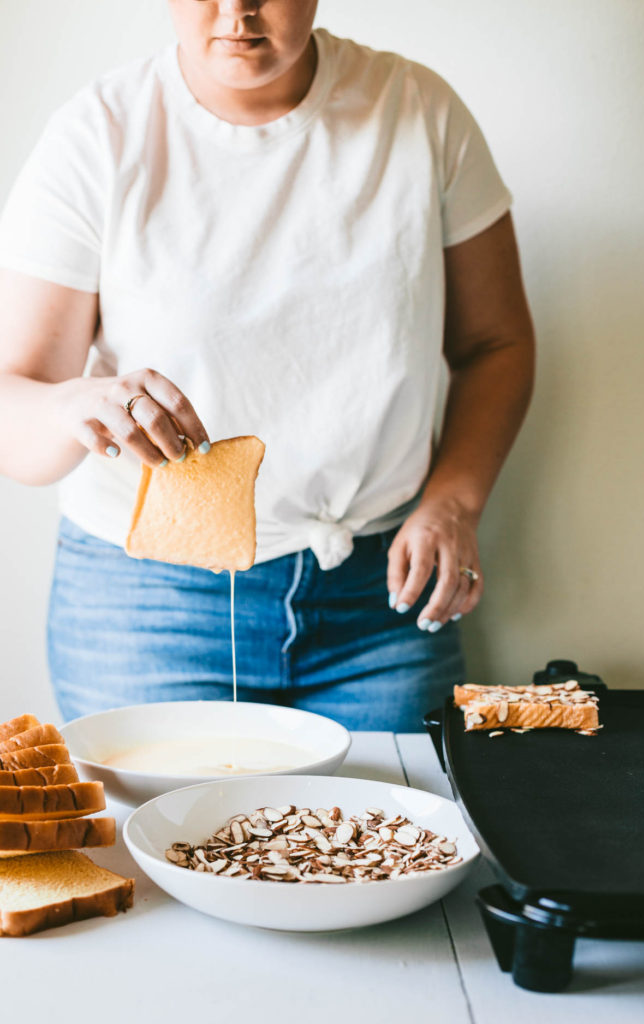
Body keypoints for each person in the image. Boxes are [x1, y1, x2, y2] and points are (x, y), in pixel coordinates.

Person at [0, 0, 535, 730]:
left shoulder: (418, 111)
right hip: (150, 608)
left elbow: (494, 344)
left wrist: (454, 502)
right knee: (162, 840)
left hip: (379, 603)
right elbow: (15, 403)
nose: (238, 10)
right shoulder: (98, 134)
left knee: (387, 841)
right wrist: (73, 406)